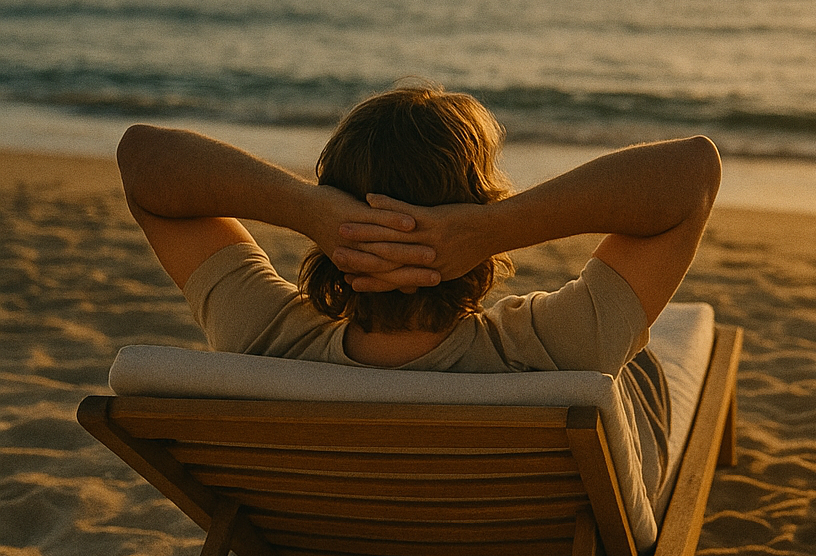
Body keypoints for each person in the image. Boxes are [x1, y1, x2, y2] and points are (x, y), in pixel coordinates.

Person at [117, 84, 721, 505]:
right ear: (475, 206)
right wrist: (495, 229)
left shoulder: (267, 340)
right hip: (548, 514)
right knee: (647, 353)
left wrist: (309, 211)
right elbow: (693, 170)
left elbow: (143, 158)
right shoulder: (555, 348)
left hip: (336, 523)